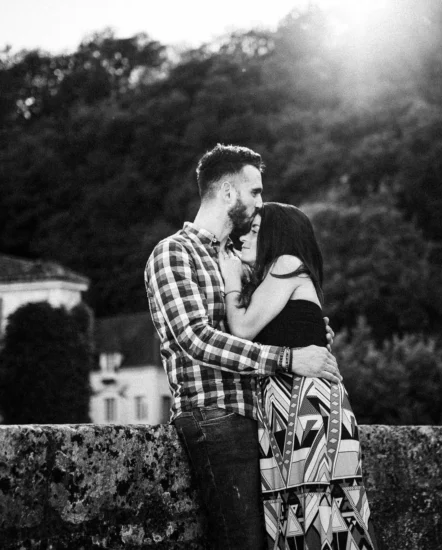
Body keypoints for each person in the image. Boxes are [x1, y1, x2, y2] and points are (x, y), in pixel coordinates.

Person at [144, 144, 341, 550]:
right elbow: (195, 338)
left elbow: (263, 323)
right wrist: (290, 358)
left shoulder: (241, 260)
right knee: (243, 542)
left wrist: (307, 332)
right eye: (255, 191)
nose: (260, 202)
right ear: (229, 194)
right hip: (217, 416)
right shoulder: (173, 253)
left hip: (269, 418)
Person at [219, 202, 378, 550]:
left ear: (279, 237)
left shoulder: (286, 264)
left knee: (319, 514)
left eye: (257, 230)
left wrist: (231, 283)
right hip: (287, 404)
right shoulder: (275, 278)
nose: (246, 236)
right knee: (300, 516)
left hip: (304, 406)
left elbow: (242, 328)